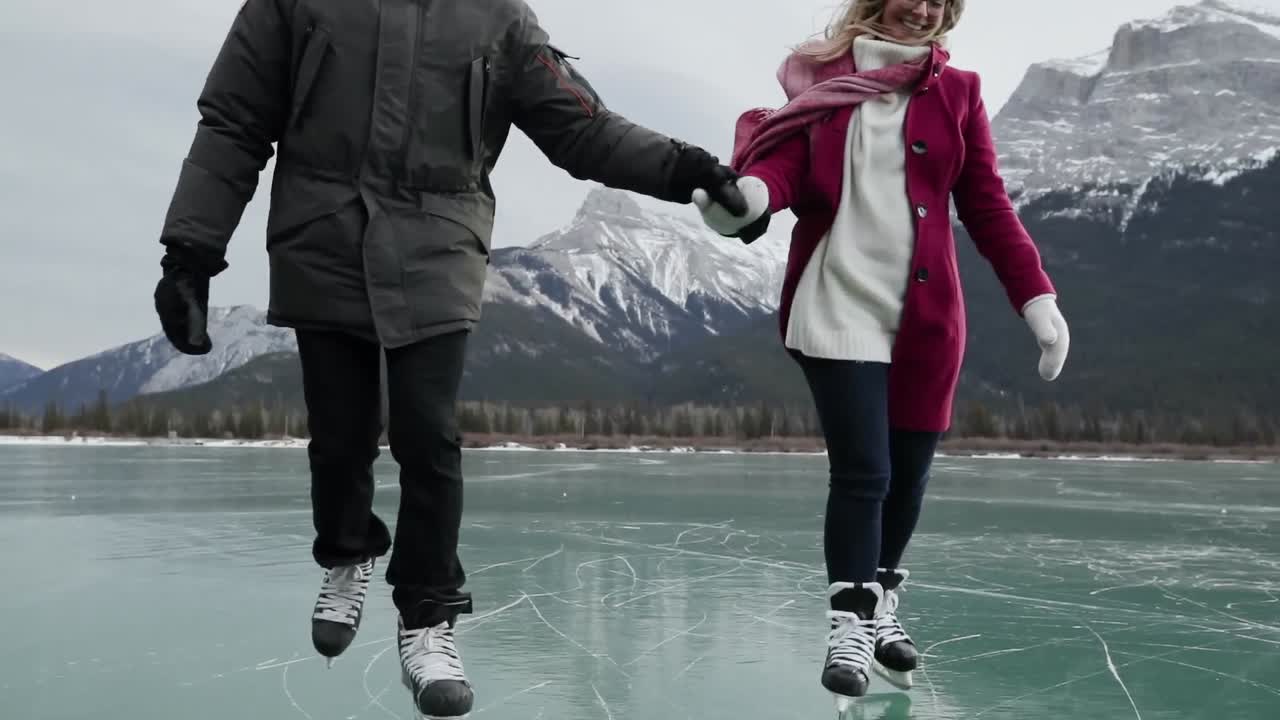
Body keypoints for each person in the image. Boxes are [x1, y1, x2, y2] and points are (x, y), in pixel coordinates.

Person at [150, 1, 748, 717]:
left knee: (428, 433)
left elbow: (579, 128)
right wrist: (190, 252)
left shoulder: (498, 17)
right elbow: (234, 121)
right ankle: (346, 554)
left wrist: (685, 168)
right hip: (322, 236)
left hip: (438, 240)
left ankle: (428, 617)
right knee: (340, 434)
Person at [693, 0, 1070, 709]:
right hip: (838, 300)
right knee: (865, 472)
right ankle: (850, 622)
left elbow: (986, 204)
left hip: (927, 318)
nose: (923, 7)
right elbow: (783, 174)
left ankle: (882, 597)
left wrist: (1037, 299)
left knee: (909, 477)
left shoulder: (957, 91)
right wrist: (746, 199)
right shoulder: (817, 82)